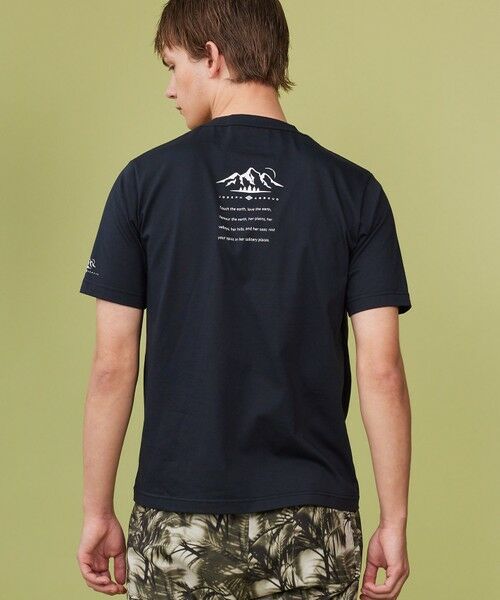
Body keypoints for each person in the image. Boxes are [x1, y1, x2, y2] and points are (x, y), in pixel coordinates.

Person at [76, 1, 412, 598]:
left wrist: (97, 511)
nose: (170, 89)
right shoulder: (355, 191)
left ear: (212, 58)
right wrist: (394, 519)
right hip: (314, 524)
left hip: (179, 522)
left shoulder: (143, 184)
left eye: (173, 65)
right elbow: (381, 371)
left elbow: (112, 366)